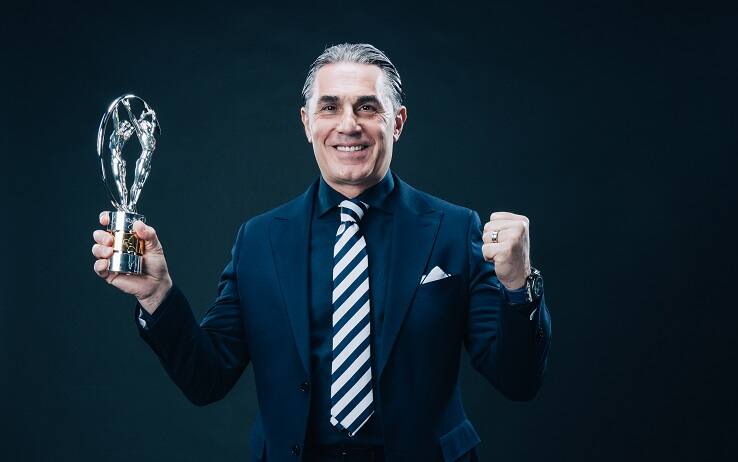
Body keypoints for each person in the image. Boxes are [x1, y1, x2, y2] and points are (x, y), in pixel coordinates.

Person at [91, 43, 551, 462]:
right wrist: (157, 296)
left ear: (397, 122)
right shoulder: (259, 240)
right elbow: (207, 378)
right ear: (307, 123)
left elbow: (517, 380)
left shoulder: (454, 229)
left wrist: (517, 285)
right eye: (329, 107)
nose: (348, 125)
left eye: (367, 107)